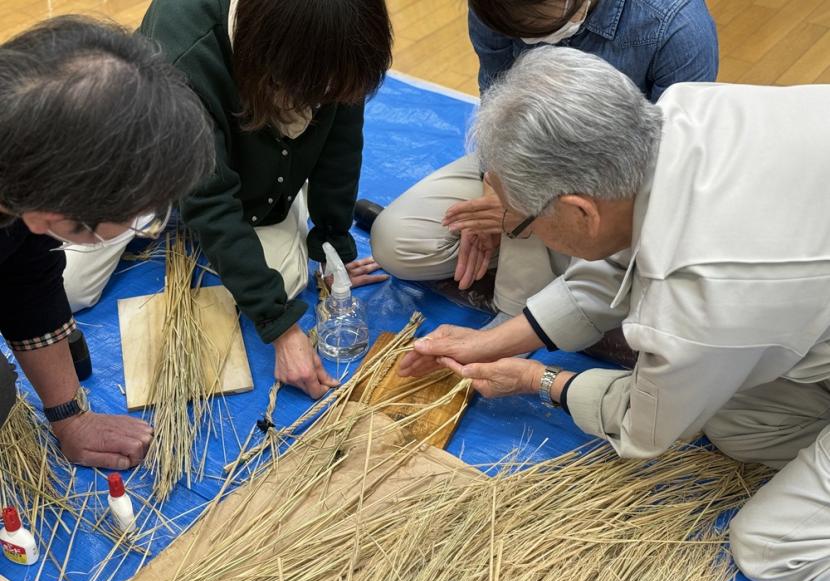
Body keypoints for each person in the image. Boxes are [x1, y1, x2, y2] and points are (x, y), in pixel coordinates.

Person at [399, 46, 830, 581]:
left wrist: (538, 381)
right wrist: (491, 342)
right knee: (730, 420)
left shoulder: (699, 295)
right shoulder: (674, 115)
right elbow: (621, 261)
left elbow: (647, 428)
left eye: (522, 223)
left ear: (580, 211)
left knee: (772, 548)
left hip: (753, 294)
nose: (521, 234)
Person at [371, 0, 718, 334]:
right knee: (399, 242)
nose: (529, 43)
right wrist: (493, 190)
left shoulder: (675, 25)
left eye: (539, 27)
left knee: (649, 286)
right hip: (522, 168)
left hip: (621, 194)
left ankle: (534, 295)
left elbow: (668, 175)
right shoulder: (494, 10)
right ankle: (553, 269)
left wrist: (520, 213)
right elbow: (499, 117)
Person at [131, 0, 392, 399]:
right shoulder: (182, 51)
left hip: (255, 171)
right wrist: (283, 331)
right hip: (153, 152)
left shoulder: (337, 38)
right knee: (73, 284)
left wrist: (330, 245)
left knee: (286, 284)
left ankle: (260, 217)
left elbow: (340, 146)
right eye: (315, 92)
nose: (324, 101)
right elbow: (208, 196)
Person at [0, 16, 215, 468]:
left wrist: (69, 416)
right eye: (140, 215)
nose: (145, 220)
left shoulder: (22, 157)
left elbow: (27, 281)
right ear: (53, 216)